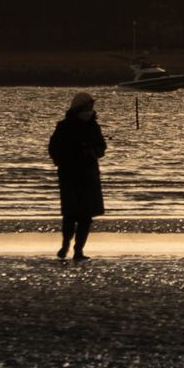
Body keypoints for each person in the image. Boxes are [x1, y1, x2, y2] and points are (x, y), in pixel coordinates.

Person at [48, 94, 109, 260]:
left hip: (88, 174)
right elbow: (54, 148)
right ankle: (65, 244)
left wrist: (93, 152)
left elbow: (101, 147)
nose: (91, 109)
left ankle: (78, 250)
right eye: (88, 106)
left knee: (86, 216)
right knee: (70, 214)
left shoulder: (93, 126)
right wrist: (64, 159)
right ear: (80, 108)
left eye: (91, 106)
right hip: (70, 174)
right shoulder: (64, 126)